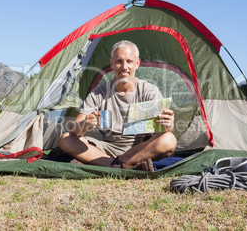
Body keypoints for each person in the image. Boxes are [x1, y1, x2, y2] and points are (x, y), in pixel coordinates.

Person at [58, 40, 177, 171]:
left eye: (129, 61)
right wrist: (85, 124)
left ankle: (114, 164)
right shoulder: (99, 93)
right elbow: (75, 128)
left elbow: (161, 132)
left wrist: (168, 125)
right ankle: (120, 165)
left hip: (141, 149)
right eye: (119, 61)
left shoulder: (149, 91)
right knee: (66, 139)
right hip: (106, 149)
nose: (124, 67)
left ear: (137, 63)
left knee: (169, 139)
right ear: (111, 63)